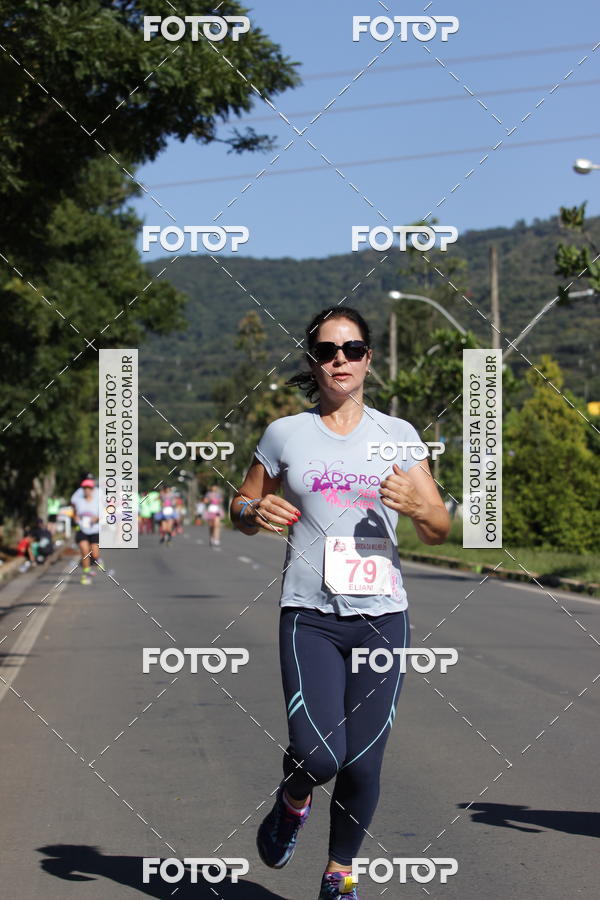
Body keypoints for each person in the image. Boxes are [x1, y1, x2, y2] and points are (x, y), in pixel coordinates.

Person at [230, 307, 450, 899]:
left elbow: (438, 528)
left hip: (383, 619)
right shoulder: (285, 434)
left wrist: (420, 506)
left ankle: (339, 874)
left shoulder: (398, 436)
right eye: (328, 351)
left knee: (364, 762)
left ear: (368, 359)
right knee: (319, 754)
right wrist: (254, 510)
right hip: (310, 617)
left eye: (352, 349)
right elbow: (241, 506)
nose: (340, 360)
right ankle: (293, 798)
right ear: (313, 361)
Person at [71, 476, 101, 585]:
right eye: (85, 488)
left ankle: (93, 561)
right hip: (82, 529)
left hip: (94, 530)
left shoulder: (97, 501)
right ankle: (86, 573)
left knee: (95, 554)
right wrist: (75, 517)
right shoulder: (79, 501)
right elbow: (74, 511)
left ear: (92, 489)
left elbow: (103, 514)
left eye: (89, 488)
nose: (86, 490)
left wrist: (96, 518)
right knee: (85, 551)